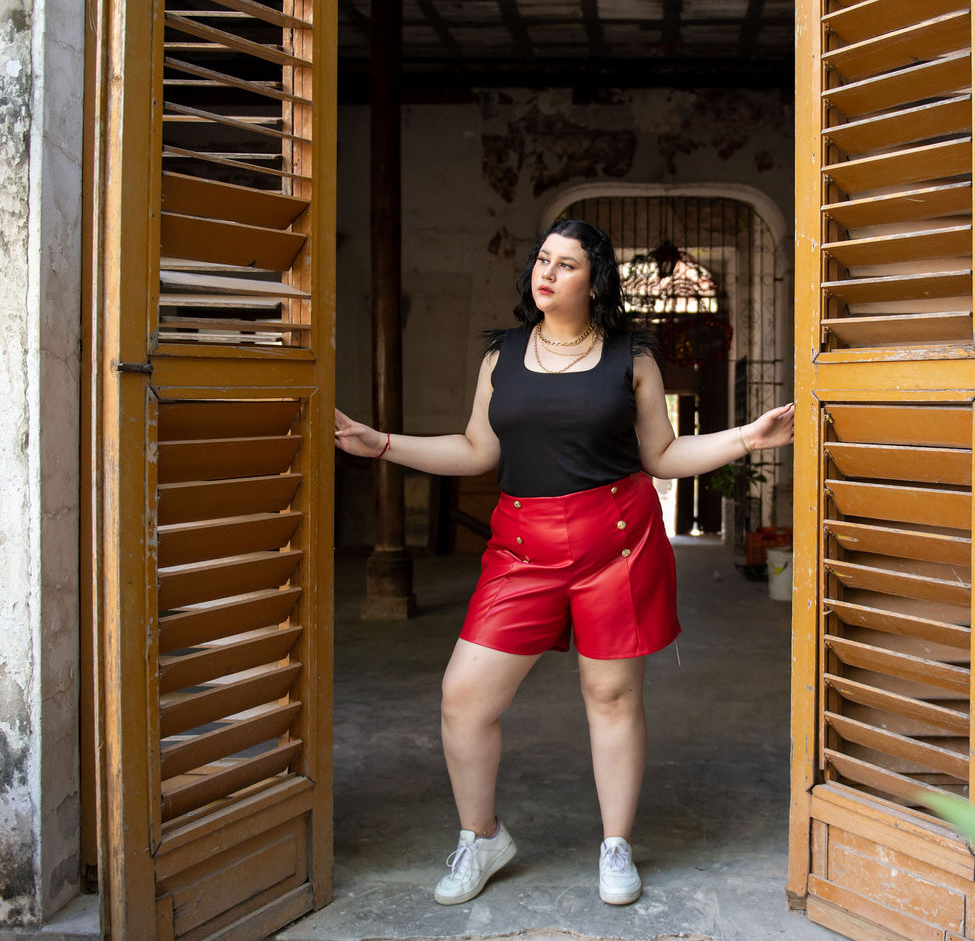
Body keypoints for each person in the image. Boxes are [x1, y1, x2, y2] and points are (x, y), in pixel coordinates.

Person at [334, 218, 794, 907]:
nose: (545, 273)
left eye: (566, 263)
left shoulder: (631, 357)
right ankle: (481, 835)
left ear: (594, 280)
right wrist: (381, 444)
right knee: (463, 697)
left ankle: (615, 844)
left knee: (609, 696)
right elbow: (473, 450)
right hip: (521, 544)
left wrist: (744, 438)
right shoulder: (503, 357)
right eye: (541, 259)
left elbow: (662, 457)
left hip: (616, 537)